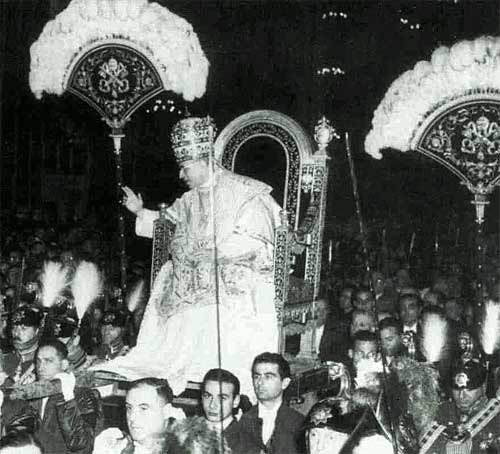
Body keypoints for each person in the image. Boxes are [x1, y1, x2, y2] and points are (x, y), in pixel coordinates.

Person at [95, 116, 281, 396]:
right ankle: (179, 359)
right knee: (170, 275)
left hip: (234, 271)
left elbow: (259, 238)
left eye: (186, 167)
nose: (181, 175)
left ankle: (214, 365)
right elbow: (165, 225)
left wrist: (215, 254)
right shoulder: (188, 200)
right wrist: (139, 211)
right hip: (193, 273)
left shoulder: (245, 191)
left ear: (204, 160)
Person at [30, 338, 102, 454]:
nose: (40, 367)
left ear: (64, 364)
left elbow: (80, 445)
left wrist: (68, 398)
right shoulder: (35, 394)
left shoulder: (83, 395)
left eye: (48, 361)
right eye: (38, 361)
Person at [419, 360, 500, 454]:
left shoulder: (495, 416)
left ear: (484, 387)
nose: (462, 396)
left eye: (469, 390)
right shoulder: (439, 413)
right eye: (457, 390)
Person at [238, 352, 305, 454]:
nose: (260, 382)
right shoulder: (245, 421)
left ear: (284, 383)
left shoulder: (298, 423)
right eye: (257, 376)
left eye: (268, 377)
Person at [201, 368, 244, 454]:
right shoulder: (187, 434)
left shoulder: (247, 444)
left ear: (235, 401)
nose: (212, 405)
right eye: (207, 396)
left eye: (222, 398)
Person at [2, 306, 43, 386]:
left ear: (36, 331)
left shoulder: (43, 361)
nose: (17, 333)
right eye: (14, 328)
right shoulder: (5, 359)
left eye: (23, 328)